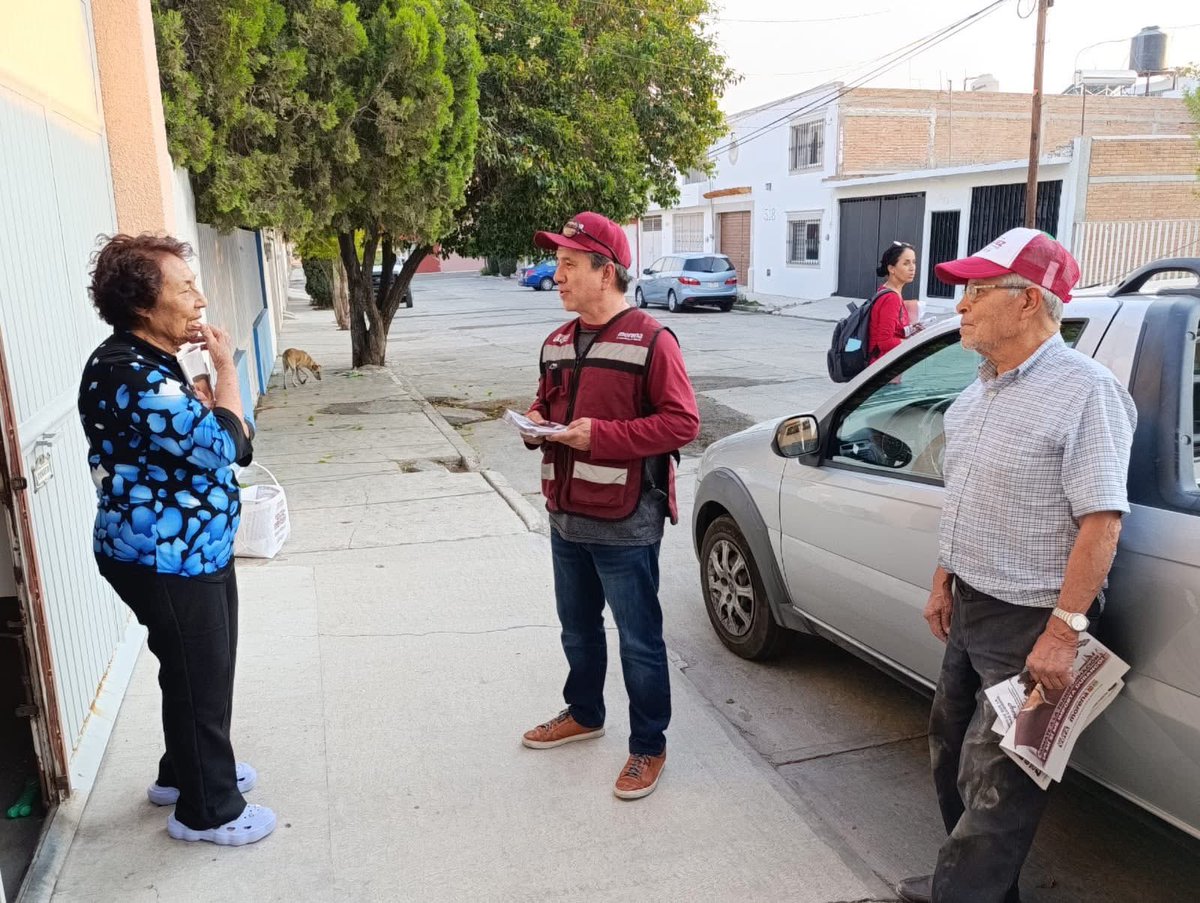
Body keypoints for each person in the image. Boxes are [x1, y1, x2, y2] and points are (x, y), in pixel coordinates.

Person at [896, 229, 1136, 903]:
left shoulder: (1086, 392)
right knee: (951, 752)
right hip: (971, 607)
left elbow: (1102, 521)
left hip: (1033, 624)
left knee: (1002, 785)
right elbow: (964, 498)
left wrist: (1063, 632)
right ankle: (977, 888)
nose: (960, 304)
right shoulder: (978, 394)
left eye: (975, 290)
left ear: (1028, 300)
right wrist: (945, 578)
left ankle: (961, 890)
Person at [78, 234, 276, 846]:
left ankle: (183, 772)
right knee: (200, 677)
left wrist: (221, 409)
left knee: (194, 672)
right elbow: (229, 445)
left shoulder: (151, 362)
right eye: (185, 288)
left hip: (194, 550)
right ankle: (207, 810)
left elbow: (227, 438)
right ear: (143, 303)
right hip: (165, 558)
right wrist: (223, 371)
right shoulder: (128, 373)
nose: (200, 297)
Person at [518, 212, 700, 800]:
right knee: (577, 629)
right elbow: (548, 405)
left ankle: (649, 744)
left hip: (626, 520)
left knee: (639, 640)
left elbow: (681, 424)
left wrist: (600, 437)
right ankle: (584, 712)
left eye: (570, 264)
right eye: (559, 263)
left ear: (607, 271)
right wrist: (537, 425)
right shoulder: (556, 343)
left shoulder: (651, 339)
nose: (558, 275)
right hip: (565, 513)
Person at [868, 241, 922, 363]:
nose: (912, 267)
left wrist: (911, 329)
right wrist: (914, 344)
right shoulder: (891, 298)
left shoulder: (887, 291)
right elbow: (884, 342)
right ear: (891, 268)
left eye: (914, 262)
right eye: (906, 263)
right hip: (884, 368)